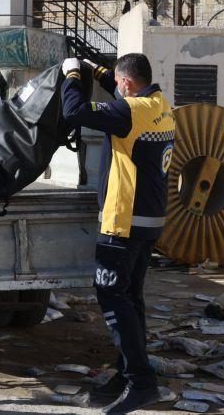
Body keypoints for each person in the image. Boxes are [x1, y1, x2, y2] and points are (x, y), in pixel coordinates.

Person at [59, 53, 175, 414]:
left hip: (124, 221)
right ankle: (128, 375)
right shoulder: (160, 105)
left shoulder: (129, 113)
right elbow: (118, 88)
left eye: (119, 85)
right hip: (150, 220)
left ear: (128, 84)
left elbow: (74, 112)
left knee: (112, 297)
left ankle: (142, 383)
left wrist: (74, 75)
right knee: (131, 299)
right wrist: (99, 71)